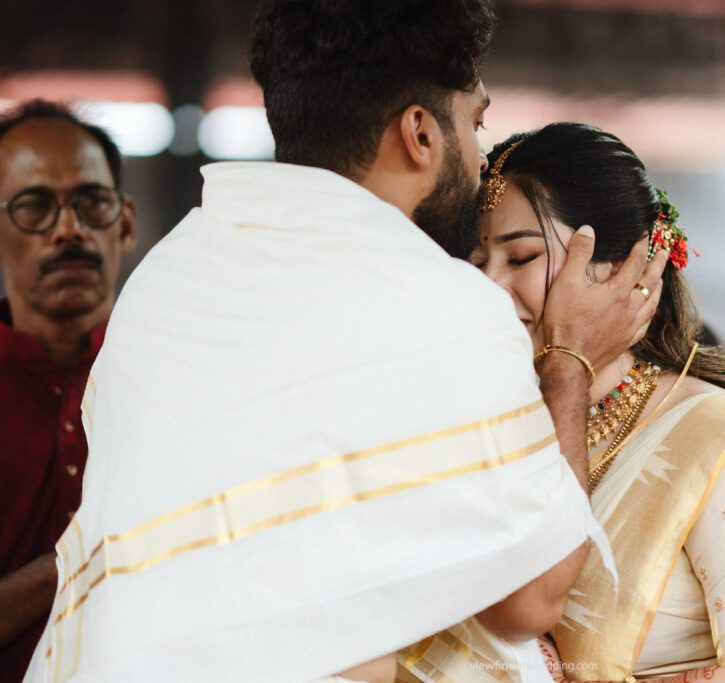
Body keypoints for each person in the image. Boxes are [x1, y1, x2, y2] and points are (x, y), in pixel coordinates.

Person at [25, 3, 669, 682]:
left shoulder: (163, 277)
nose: (483, 160)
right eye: (474, 124)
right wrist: (569, 356)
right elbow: (531, 598)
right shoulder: (441, 304)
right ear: (420, 133)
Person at [399, 123, 725, 682]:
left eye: (521, 257)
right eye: (477, 264)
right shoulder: (484, 436)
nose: (491, 286)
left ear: (626, 264)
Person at [0, 99, 136, 682]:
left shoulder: (172, 373)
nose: (68, 230)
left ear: (125, 222)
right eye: (35, 207)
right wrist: (89, 555)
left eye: (92, 203)